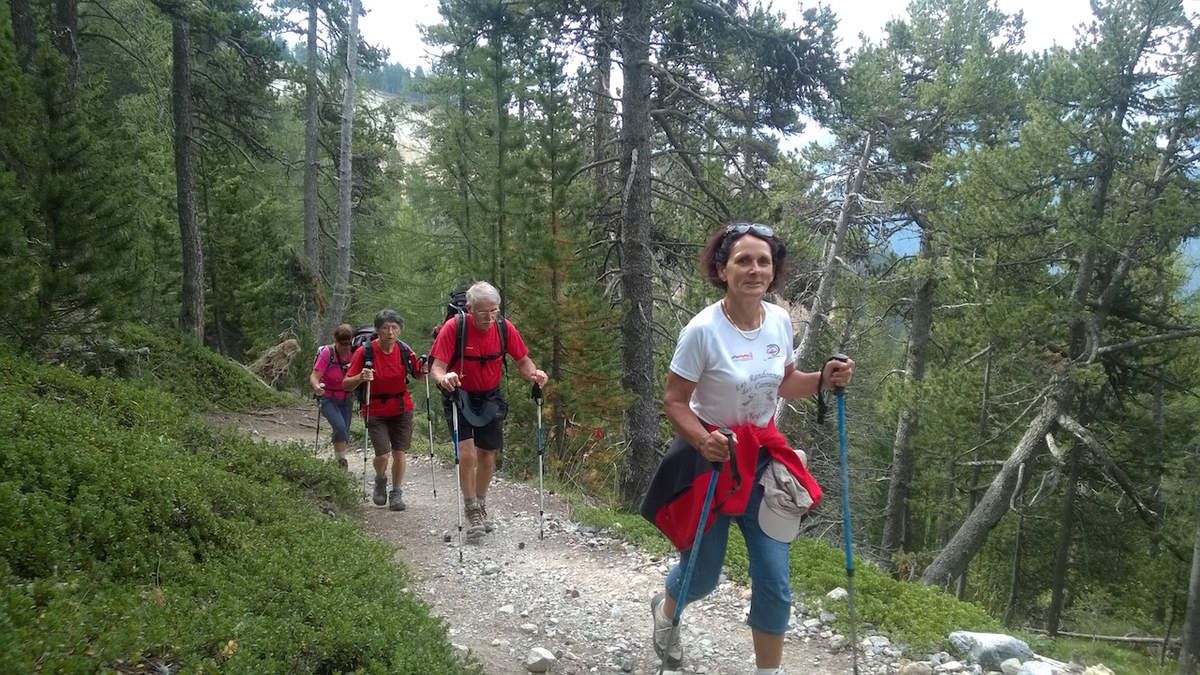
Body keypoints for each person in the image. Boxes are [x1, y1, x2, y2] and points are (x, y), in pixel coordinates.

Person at [639, 222, 855, 675]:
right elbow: (674, 401)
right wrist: (703, 440)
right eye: (743, 261)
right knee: (702, 575)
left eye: (763, 261)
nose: (755, 270)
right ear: (722, 270)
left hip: (761, 461)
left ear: (773, 270)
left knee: (774, 578)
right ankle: (667, 609)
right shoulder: (702, 331)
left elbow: (785, 383)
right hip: (710, 460)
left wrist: (823, 379)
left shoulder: (778, 320)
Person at [429, 281, 548, 539]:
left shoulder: (504, 328)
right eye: (483, 312)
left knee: (487, 454)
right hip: (458, 394)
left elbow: (523, 361)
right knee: (467, 454)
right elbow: (436, 367)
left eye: (494, 311)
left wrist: (534, 374)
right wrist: (444, 378)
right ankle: (471, 508)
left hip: (491, 396)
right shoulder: (454, 328)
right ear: (470, 309)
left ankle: (481, 502)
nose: (489, 317)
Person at [343, 309, 425, 511]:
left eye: (394, 328)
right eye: (385, 328)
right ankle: (380, 479)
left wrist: (425, 368)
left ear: (400, 330)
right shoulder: (365, 352)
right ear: (377, 330)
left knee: (399, 453)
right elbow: (346, 384)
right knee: (382, 455)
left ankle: (396, 493)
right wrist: (360, 377)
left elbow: (418, 375)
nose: (390, 332)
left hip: (401, 407)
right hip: (375, 409)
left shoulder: (405, 350)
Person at [309, 323, 356, 470]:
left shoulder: (355, 352)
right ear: (335, 340)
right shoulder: (327, 353)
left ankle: (340, 463)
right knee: (340, 427)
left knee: (343, 430)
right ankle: (342, 463)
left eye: (348, 344)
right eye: (342, 344)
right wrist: (316, 387)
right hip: (327, 397)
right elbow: (315, 376)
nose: (345, 347)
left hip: (347, 397)